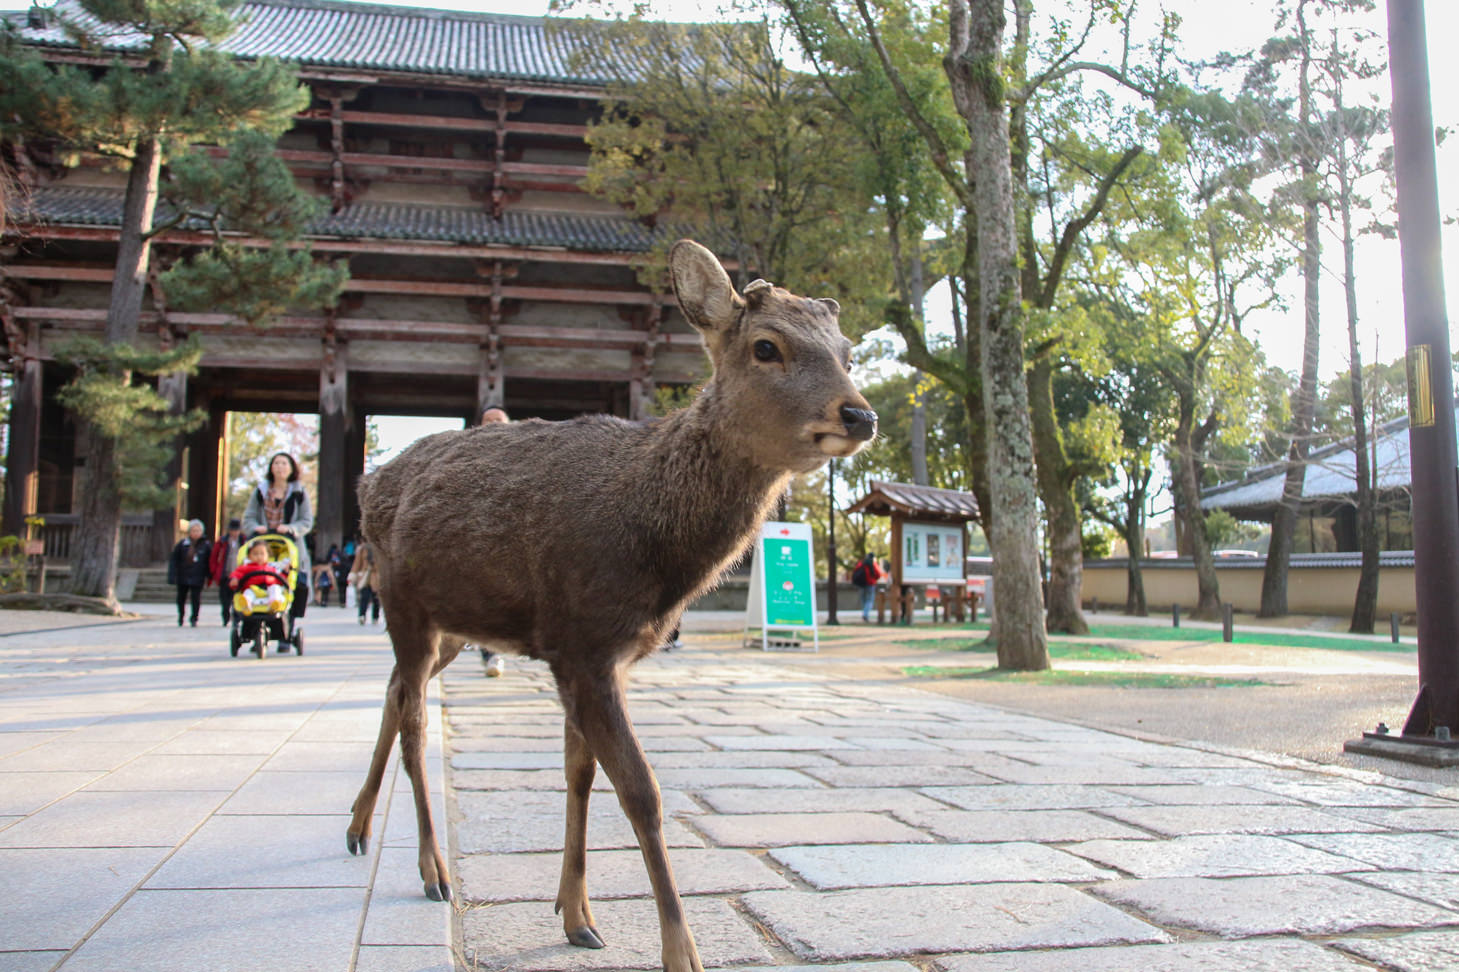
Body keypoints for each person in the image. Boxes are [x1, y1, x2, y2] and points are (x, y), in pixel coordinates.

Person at [240, 452, 314, 622]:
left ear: (291, 468)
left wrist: (290, 528)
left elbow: (306, 521)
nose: (280, 467)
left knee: (291, 582)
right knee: (257, 579)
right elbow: (248, 517)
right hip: (262, 545)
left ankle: (288, 623)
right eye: (276, 463)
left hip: (290, 545)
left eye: (284, 463)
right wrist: (255, 527)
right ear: (271, 468)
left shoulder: (299, 493)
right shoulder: (260, 491)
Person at [228, 537, 290, 615]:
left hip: (268, 589)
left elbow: (279, 578)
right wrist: (235, 579)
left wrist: (285, 573)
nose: (259, 557)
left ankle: (274, 604)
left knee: (275, 588)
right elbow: (237, 573)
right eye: (255, 554)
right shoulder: (246, 567)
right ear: (249, 556)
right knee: (247, 593)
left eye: (262, 554)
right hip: (253, 588)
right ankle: (246, 605)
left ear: (267, 556)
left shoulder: (271, 568)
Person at [168, 519, 212, 627]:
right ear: (189, 531)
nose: (196, 533)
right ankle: (181, 615)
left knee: (196, 598)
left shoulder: (206, 545)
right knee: (181, 598)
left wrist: (209, 575)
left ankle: (194, 618)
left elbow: (209, 562)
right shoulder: (182, 544)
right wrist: (172, 575)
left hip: (198, 575)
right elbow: (174, 560)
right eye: (193, 530)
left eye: (198, 530)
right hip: (183, 575)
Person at [208, 518, 245, 626]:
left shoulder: (244, 541)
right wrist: (214, 572)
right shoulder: (222, 541)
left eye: (236, 530)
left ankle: (237, 619)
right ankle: (226, 617)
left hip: (239, 575)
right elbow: (214, 557)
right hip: (225, 575)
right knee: (225, 600)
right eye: (233, 530)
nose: (235, 532)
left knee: (237, 598)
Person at [349, 540, 381, 625]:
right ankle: (362, 615)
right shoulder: (362, 549)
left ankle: (375, 617)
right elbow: (357, 563)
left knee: (376, 598)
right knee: (364, 597)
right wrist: (353, 574)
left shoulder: (380, 548)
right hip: (364, 576)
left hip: (376, 577)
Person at [850, 551, 886, 623]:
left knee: (863, 600)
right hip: (870, 584)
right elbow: (878, 574)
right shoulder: (873, 564)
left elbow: (855, 572)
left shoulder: (861, 563)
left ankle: (864, 613)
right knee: (869, 600)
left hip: (861, 585)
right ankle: (865, 614)